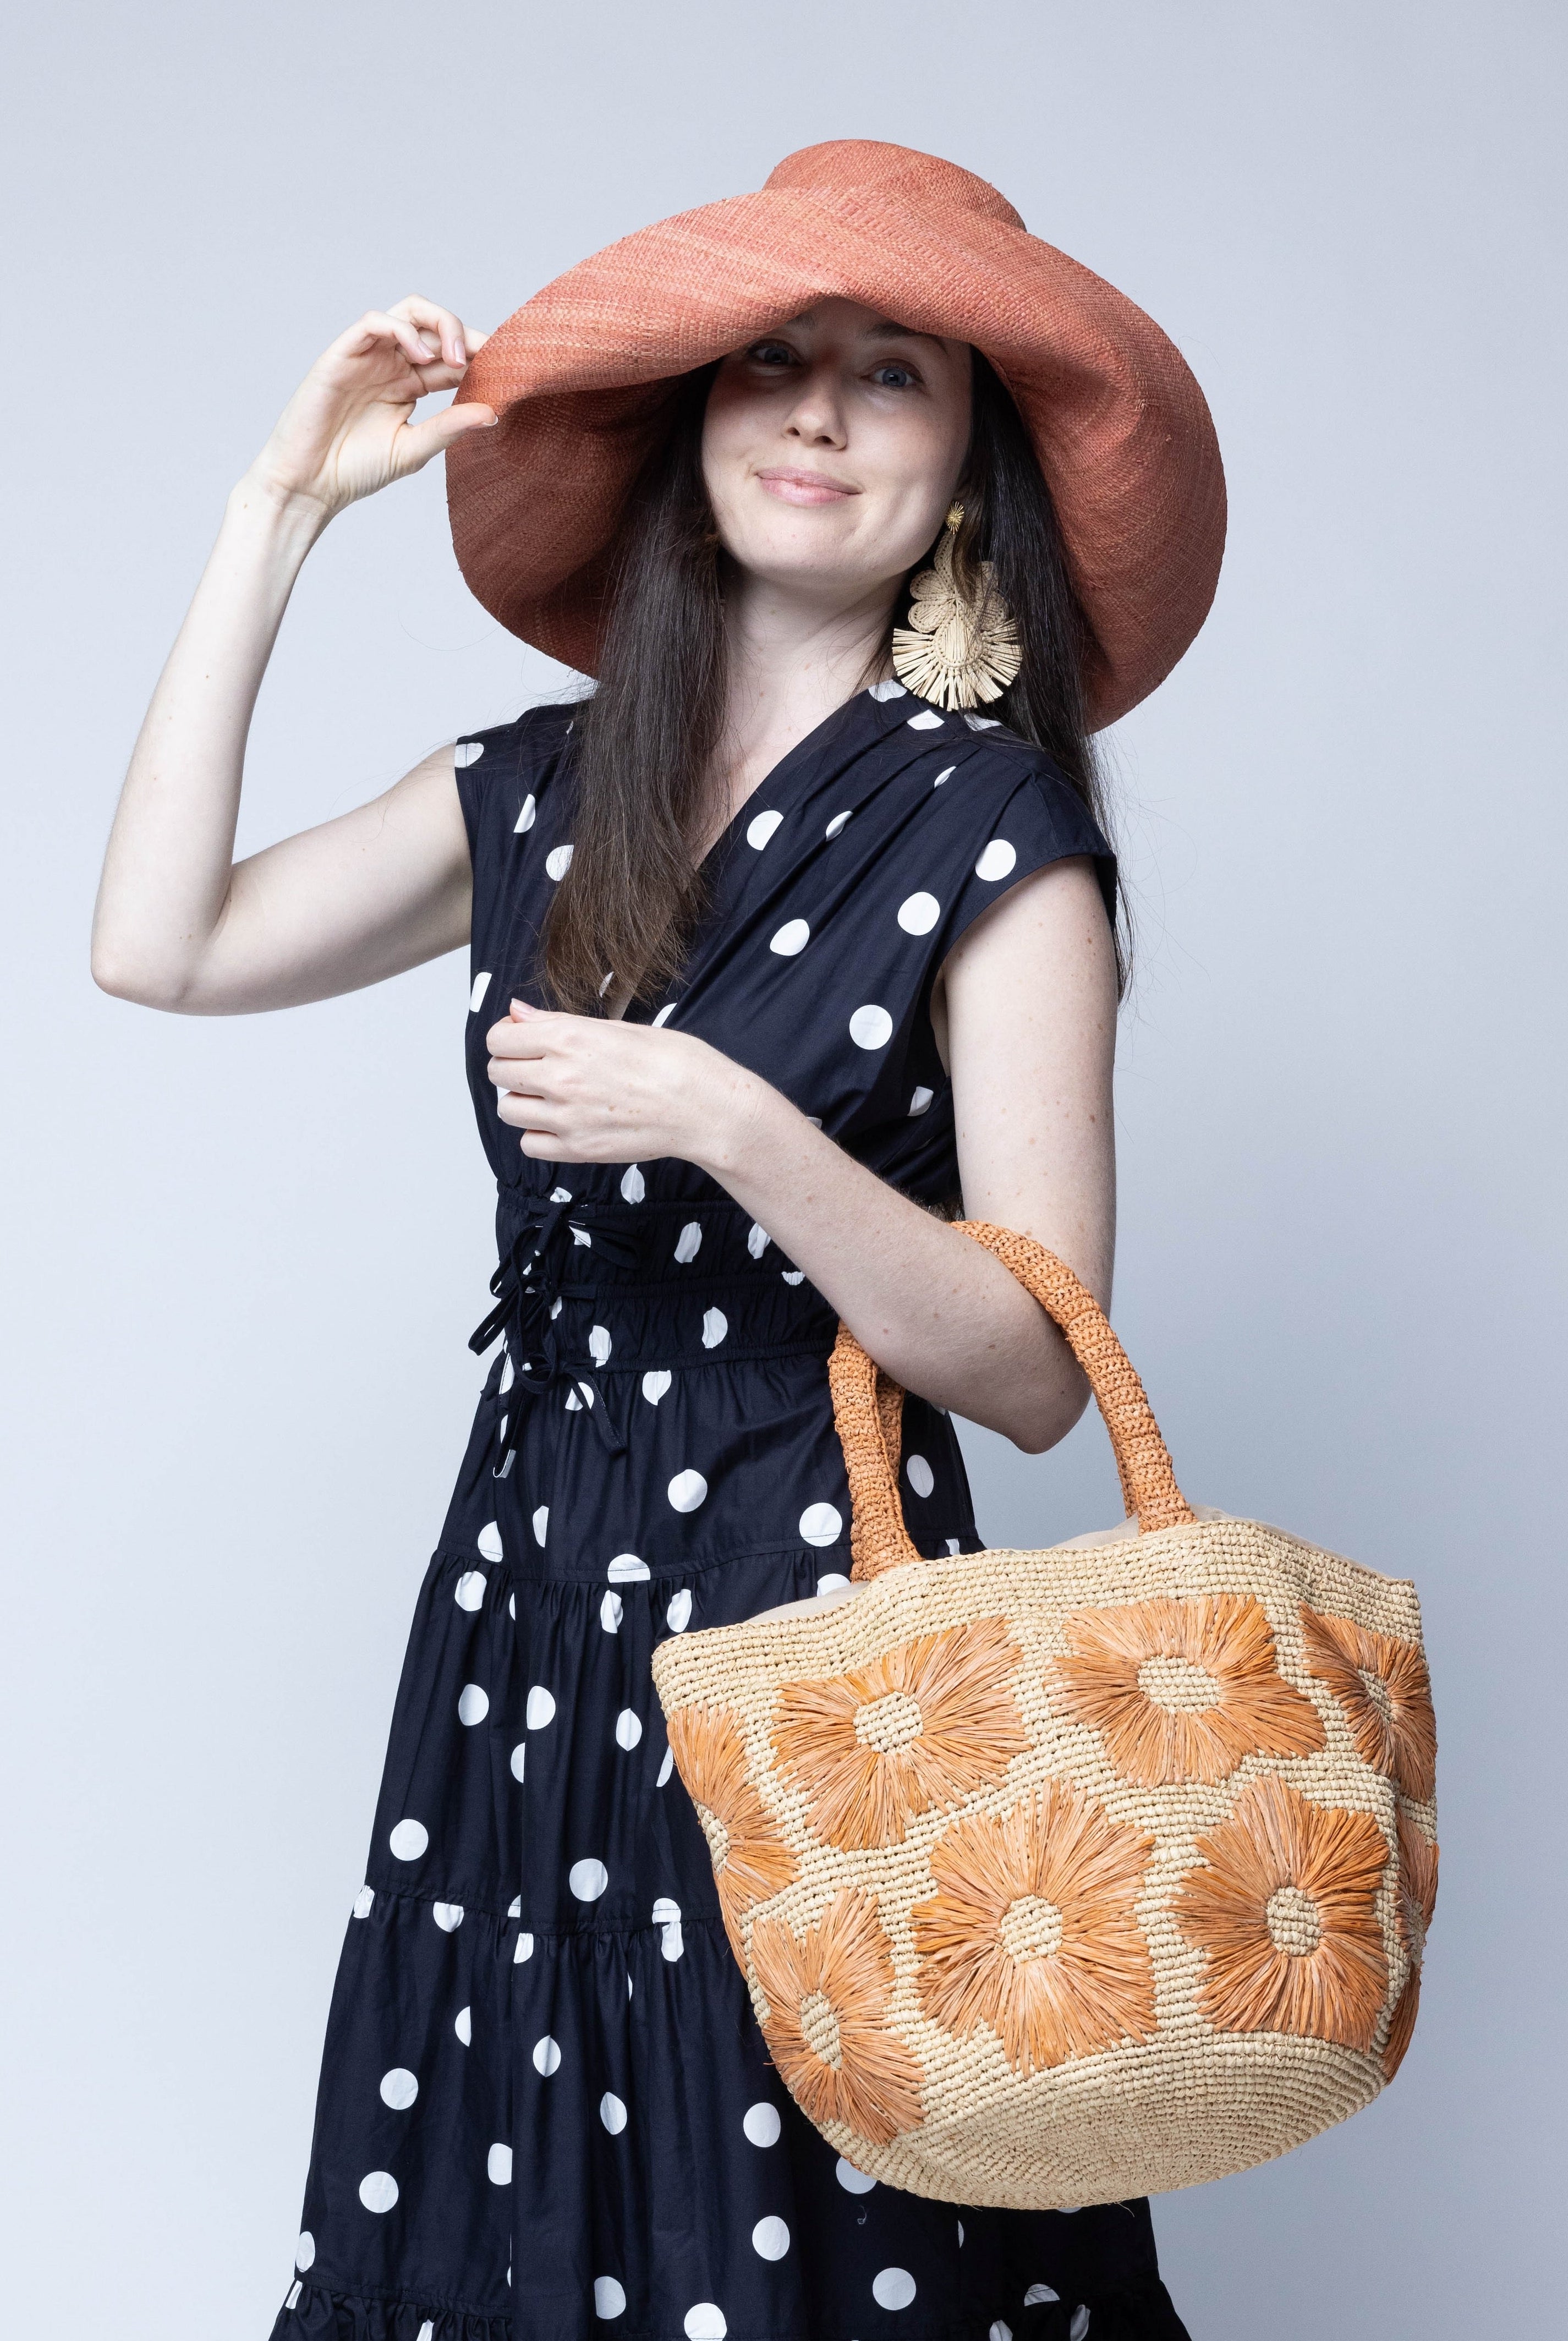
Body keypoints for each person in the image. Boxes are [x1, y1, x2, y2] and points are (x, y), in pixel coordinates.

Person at [92, 141, 1222, 2341]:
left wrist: (731, 1124)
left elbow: (1025, 1358)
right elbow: (161, 942)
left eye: (885, 376)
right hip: (535, 1590)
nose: (812, 411)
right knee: (517, 2200)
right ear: (695, 433)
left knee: (811, 2212)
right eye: (770, 365)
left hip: (827, 1620)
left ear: (958, 469)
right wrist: (274, 517)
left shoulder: (996, 836)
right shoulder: (536, 786)